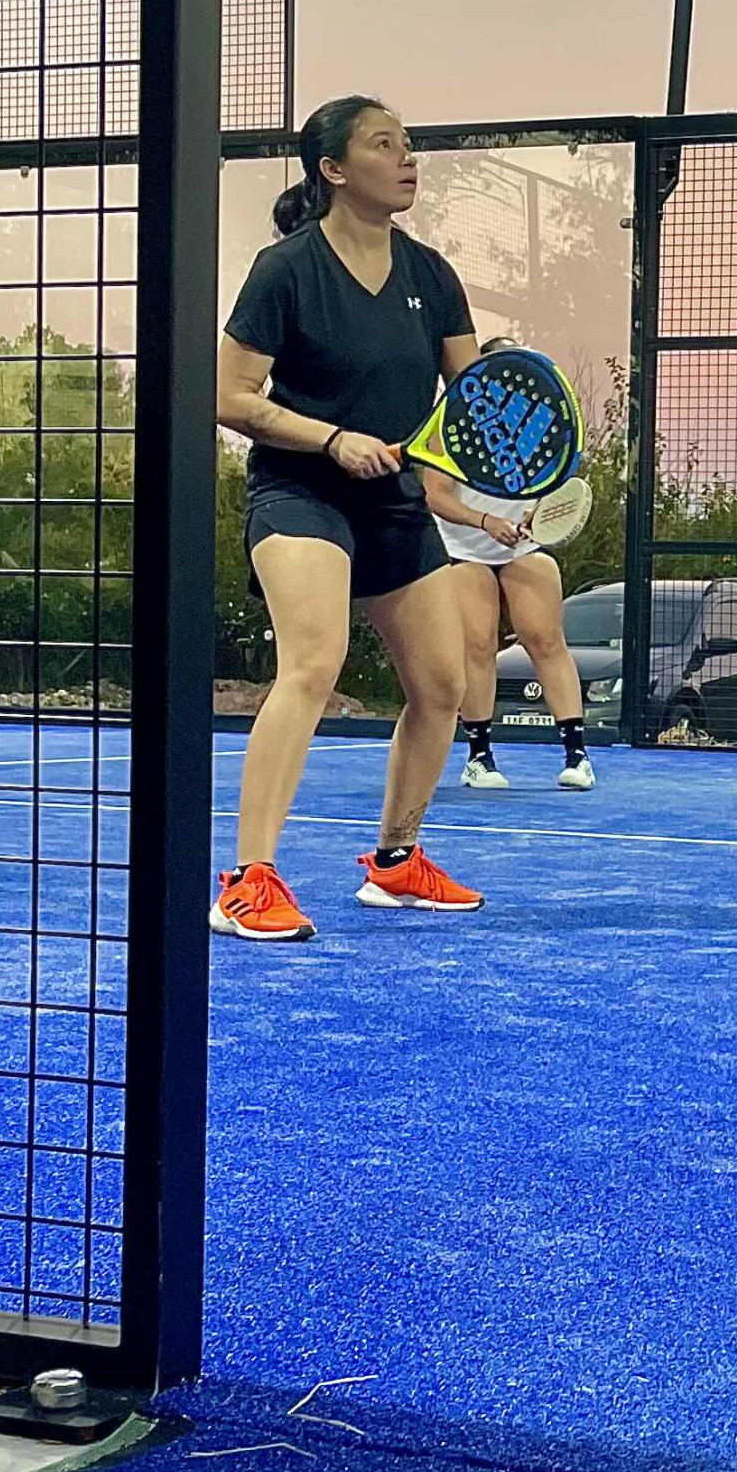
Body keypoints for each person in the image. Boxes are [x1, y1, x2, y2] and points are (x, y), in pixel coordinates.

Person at [212, 94, 486, 943]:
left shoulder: (431, 275)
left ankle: (397, 861)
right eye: (384, 144)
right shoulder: (285, 269)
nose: (408, 158)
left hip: (394, 500)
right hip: (300, 492)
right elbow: (227, 396)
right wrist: (331, 439)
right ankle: (247, 881)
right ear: (333, 169)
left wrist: (489, 433)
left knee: (443, 685)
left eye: (409, 144)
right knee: (313, 662)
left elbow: (469, 398)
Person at [421, 343, 596, 794]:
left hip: (522, 545)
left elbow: (554, 484)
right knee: (478, 644)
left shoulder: (541, 423)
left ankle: (577, 757)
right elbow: (435, 495)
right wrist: (485, 522)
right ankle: (479, 759)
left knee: (545, 639)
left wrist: (536, 512)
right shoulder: (449, 422)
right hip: (463, 547)